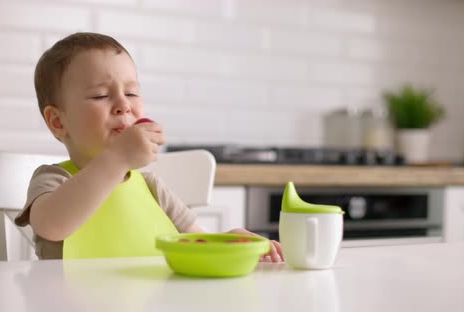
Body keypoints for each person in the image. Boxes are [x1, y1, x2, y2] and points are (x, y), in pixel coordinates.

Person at [15, 32, 283, 261]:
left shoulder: (153, 188)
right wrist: (117, 158)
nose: (124, 104)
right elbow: (53, 226)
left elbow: (198, 243)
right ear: (58, 121)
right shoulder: (52, 180)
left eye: (131, 93)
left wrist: (230, 241)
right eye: (100, 95)